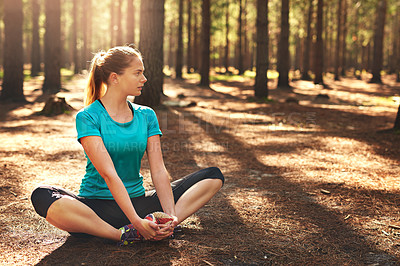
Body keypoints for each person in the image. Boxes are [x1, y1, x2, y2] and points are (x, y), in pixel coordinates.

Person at [31, 45, 224, 245]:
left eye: (143, 73)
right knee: (42, 195)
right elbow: (109, 174)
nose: (144, 79)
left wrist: (170, 215)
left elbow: (158, 170)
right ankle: (125, 234)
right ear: (115, 77)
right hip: (97, 210)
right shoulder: (88, 116)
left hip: (139, 203)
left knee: (213, 176)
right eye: (137, 73)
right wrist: (135, 222)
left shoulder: (147, 115)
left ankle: (162, 226)